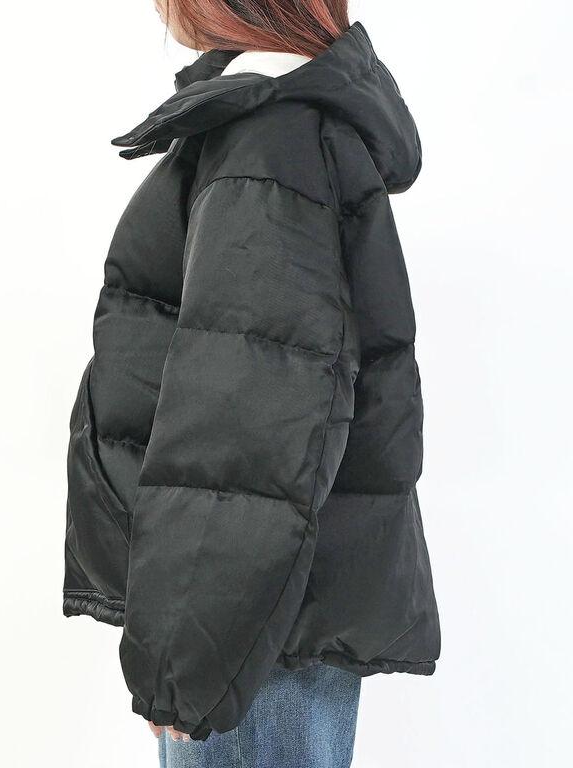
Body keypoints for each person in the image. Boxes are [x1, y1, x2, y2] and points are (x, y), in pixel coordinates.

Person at [63, 2, 441, 765]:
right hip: (262, 607)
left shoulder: (270, 139)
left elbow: (249, 419)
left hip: (250, 624)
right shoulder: (283, 125)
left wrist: (189, 658)